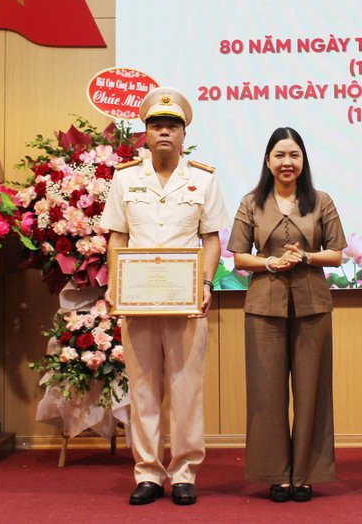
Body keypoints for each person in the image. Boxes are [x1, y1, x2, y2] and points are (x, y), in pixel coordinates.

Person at [101, 87, 230, 505]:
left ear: (183, 133)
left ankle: (186, 471)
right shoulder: (124, 178)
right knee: (142, 387)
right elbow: (118, 236)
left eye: (172, 126)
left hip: (186, 298)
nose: (164, 132)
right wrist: (114, 283)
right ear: (145, 133)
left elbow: (211, 239)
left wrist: (207, 283)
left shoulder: (203, 179)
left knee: (187, 386)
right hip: (137, 299)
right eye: (156, 125)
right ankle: (149, 473)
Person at [227, 127, 346, 503]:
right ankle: (275, 474)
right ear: (268, 161)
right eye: (279, 155)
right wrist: (271, 262)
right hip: (264, 306)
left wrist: (307, 256)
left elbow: (337, 254)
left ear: (303, 160)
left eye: (294, 155)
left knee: (313, 391)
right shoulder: (251, 203)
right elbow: (239, 257)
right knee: (267, 393)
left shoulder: (321, 200)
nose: (287, 162)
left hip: (313, 305)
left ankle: (306, 474)